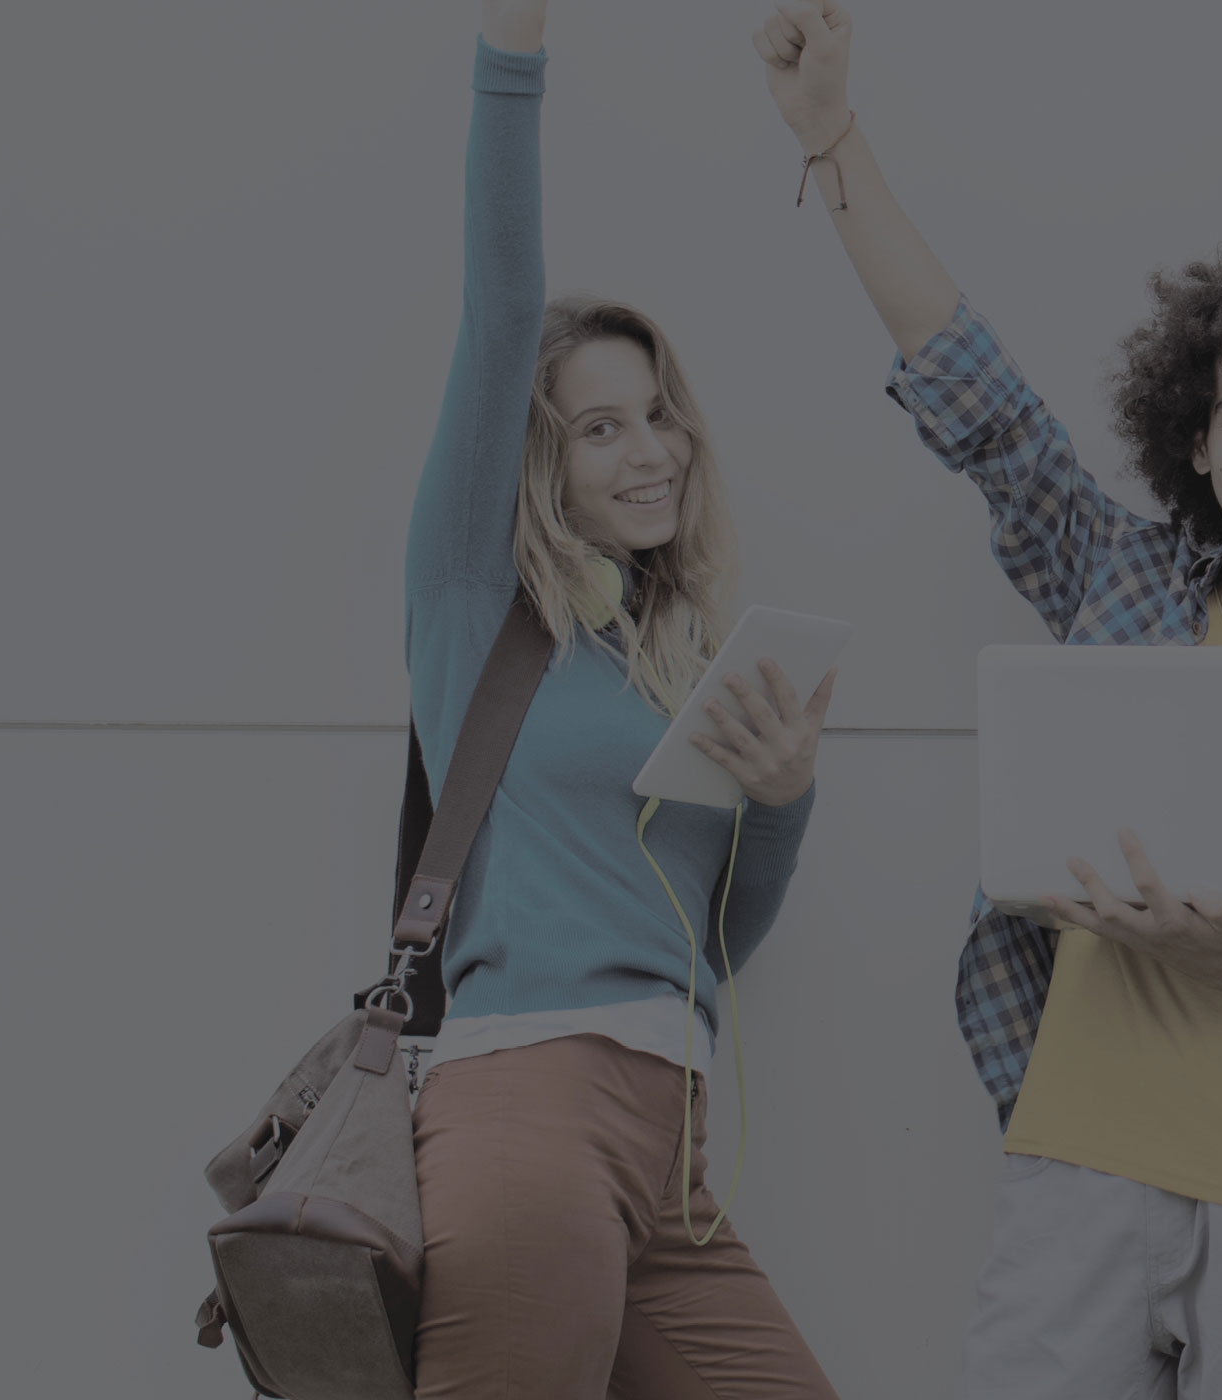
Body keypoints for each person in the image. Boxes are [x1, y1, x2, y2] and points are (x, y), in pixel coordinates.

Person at [750, 5, 1222, 1397]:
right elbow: (976, 398)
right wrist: (832, 139)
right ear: (1196, 438)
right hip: (1078, 1167)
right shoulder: (1121, 585)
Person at [405, 3, 841, 1396]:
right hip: (529, 1112)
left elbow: (713, 938)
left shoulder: (666, 660)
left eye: (658, 415)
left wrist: (781, 801)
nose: (650, 451)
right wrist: (512, 54)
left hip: (669, 1149)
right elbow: (498, 297)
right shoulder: (477, 610)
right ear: (539, 462)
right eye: (601, 427)